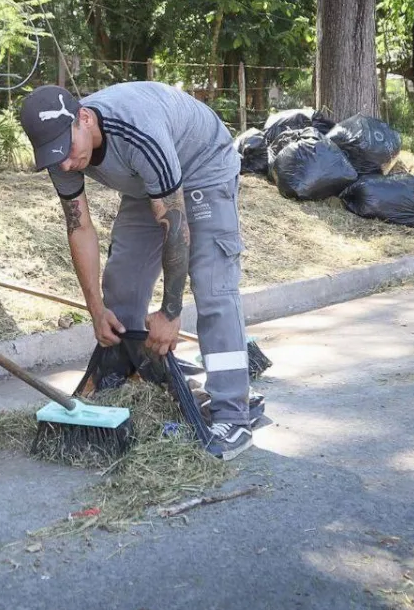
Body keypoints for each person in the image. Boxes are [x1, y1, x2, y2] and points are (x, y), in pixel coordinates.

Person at [19, 82, 253, 461]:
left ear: (84, 118)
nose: (63, 163)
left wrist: (171, 312)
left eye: (66, 149)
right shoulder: (61, 152)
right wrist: (95, 309)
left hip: (203, 168)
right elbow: (79, 228)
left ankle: (232, 413)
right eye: (52, 155)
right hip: (150, 185)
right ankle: (138, 379)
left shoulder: (137, 131)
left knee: (213, 286)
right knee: (121, 286)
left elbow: (175, 226)